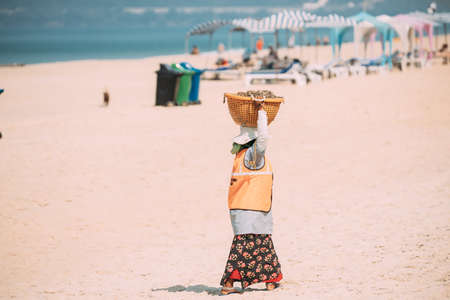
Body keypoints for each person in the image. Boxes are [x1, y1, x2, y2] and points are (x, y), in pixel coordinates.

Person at [220, 100, 283, 295]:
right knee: (245, 246)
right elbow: (263, 138)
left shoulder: (240, 156)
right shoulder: (252, 156)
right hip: (252, 209)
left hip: (246, 208)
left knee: (262, 244)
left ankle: (271, 280)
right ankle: (229, 284)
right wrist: (262, 113)